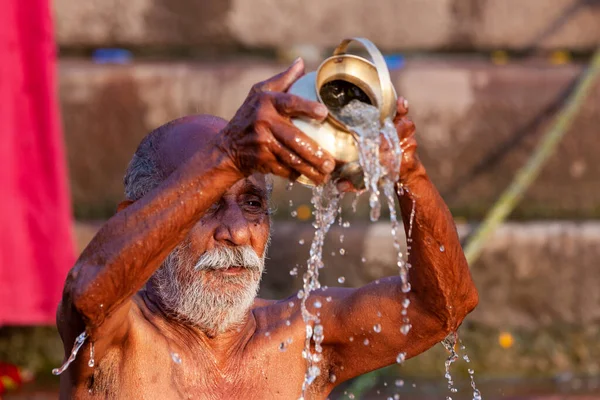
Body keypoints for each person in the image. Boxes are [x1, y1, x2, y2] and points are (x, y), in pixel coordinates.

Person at [56, 58, 478, 399]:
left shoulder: (302, 338)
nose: (237, 234)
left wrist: (410, 173)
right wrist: (227, 156)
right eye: (205, 207)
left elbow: (440, 309)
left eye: (253, 203)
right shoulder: (114, 344)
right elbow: (88, 292)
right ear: (137, 217)